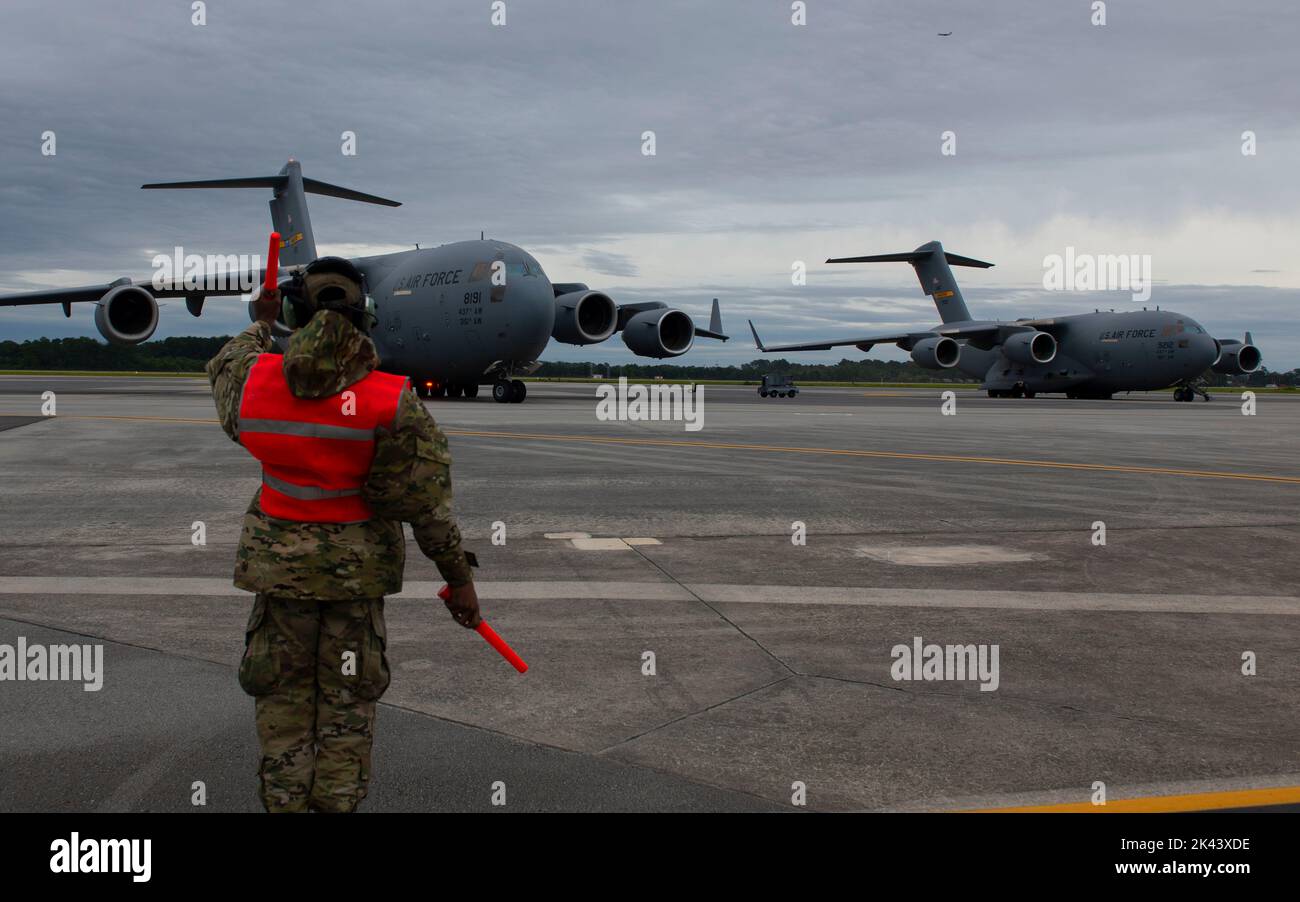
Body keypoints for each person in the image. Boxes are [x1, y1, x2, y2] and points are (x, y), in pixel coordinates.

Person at [205, 255, 480, 813]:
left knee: (282, 711)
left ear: (292, 311)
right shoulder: (391, 400)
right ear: (367, 316)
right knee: (346, 715)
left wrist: (260, 322)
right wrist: (459, 581)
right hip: (355, 590)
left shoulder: (256, 384)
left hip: (280, 588)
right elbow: (426, 508)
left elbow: (227, 363)